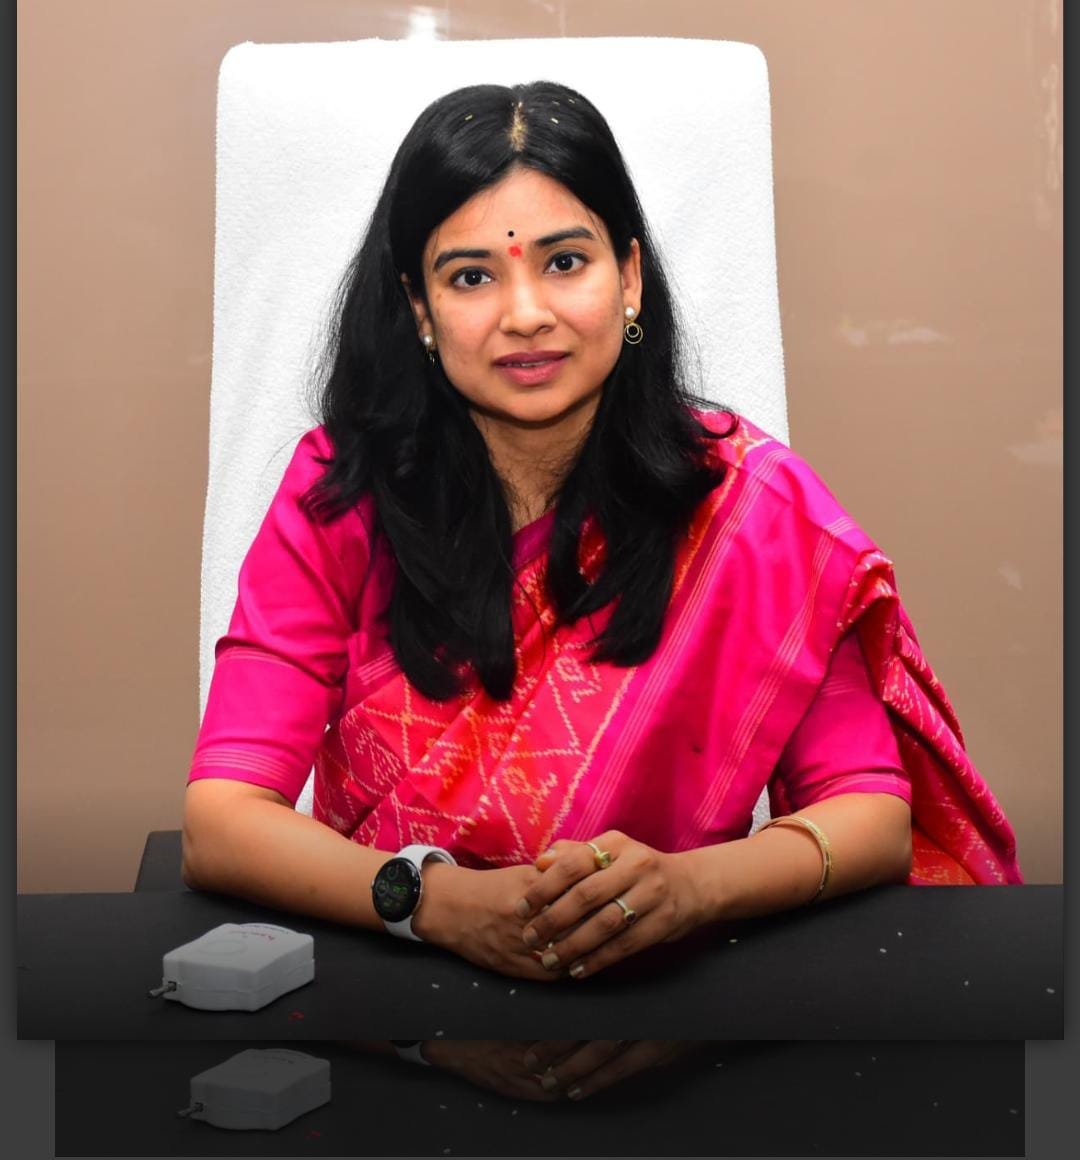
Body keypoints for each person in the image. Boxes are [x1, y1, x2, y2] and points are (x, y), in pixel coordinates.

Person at [182, 80, 1021, 985]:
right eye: (472, 277)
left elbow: (871, 814)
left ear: (629, 278)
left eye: (564, 262)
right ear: (418, 308)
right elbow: (222, 822)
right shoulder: (340, 493)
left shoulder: (755, 513)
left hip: (674, 994)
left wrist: (690, 891)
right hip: (397, 988)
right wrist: (438, 904)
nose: (525, 314)